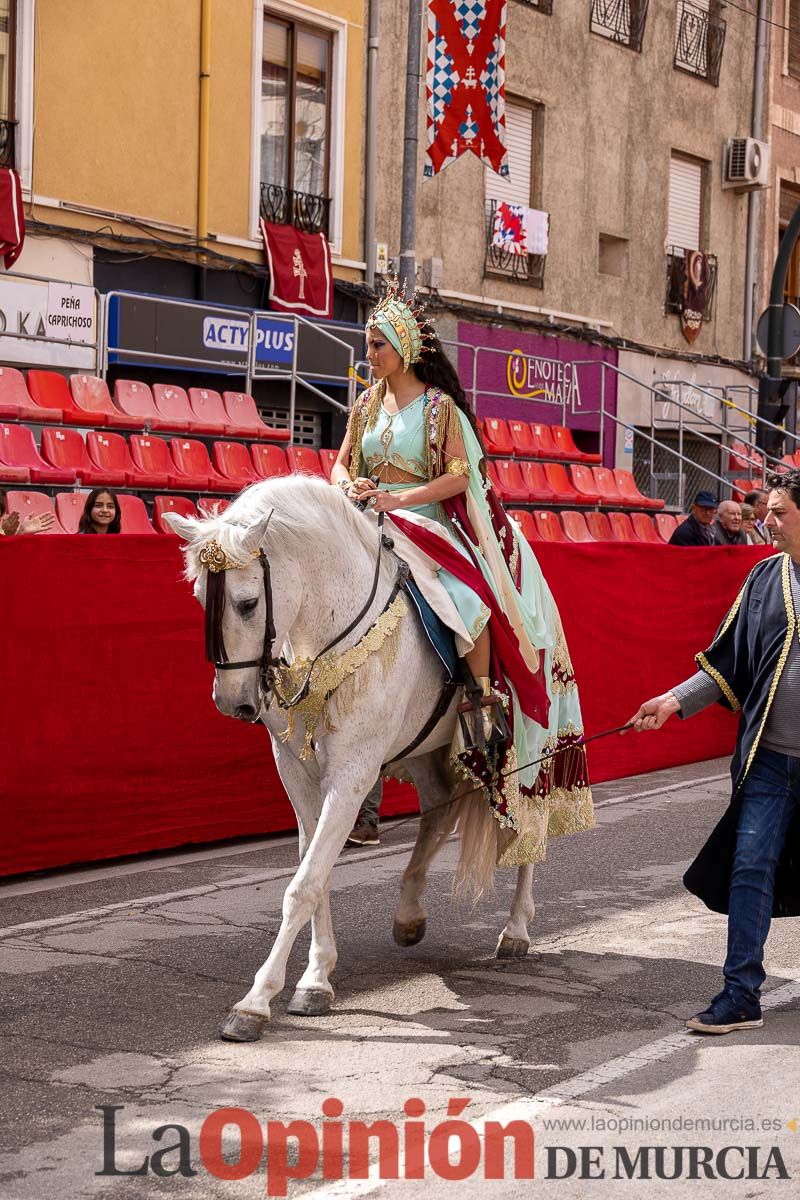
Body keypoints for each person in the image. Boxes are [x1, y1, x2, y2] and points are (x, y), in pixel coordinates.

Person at [330, 281, 593, 865]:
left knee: (469, 601)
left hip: (425, 522)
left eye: (377, 345)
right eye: (368, 344)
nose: (368, 354)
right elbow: (340, 463)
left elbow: (457, 478)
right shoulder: (366, 404)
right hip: (368, 517)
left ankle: (479, 701)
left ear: (403, 347)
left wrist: (399, 500)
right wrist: (350, 487)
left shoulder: (440, 408)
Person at [629, 468, 800, 1035]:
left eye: (778, 512)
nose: (766, 521)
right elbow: (728, 662)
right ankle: (739, 993)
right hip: (770, 760)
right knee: (750, 866)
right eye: (766, 512)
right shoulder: (763, 579)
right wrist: (672, 701)